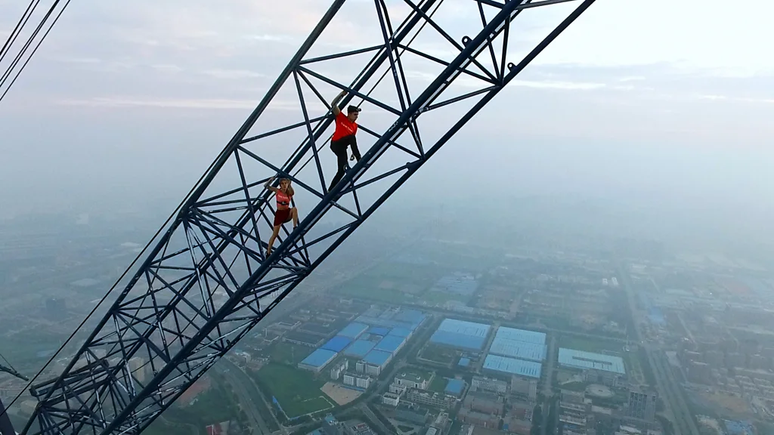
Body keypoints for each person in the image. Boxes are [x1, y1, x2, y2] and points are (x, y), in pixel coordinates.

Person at [328, 90, 362, 190]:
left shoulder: (355, 126)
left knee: (341, 170)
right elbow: (333, 104)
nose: (356, 117)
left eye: (357, 115)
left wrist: (352, 152)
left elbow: (353, 141)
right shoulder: (341, 117)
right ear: (350, 114)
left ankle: (331, 189)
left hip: (343, 148)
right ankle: (359, 159)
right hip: (336, 144)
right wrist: (341, 95)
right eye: (355, 114)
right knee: (351, 137)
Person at [264, 177, 299, 256]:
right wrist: (271, 180)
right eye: (282, 184)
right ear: (280, 185)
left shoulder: (290, 193)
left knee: (294, 209)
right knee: (275, 234)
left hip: (287, 213)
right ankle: (268, 252)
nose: (284, 185)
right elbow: (266, 186)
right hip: (279, 214)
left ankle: (294, 227)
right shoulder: (277, 191)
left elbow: (291, 189)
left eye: (285, 183)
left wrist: (289, 182)